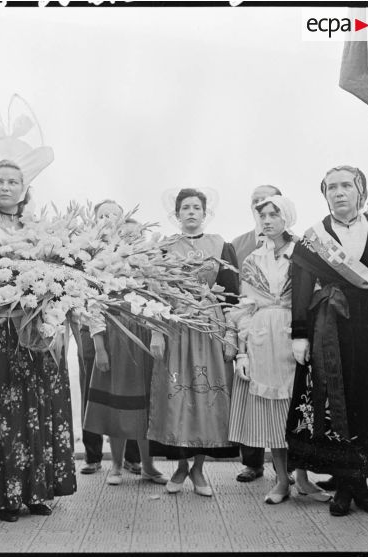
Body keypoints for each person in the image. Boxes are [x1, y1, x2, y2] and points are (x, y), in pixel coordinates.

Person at [0, 158, 77, 521]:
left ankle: (39, 493)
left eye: (13, 181)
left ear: (24, 188)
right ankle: (6, 497)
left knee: (41, 405)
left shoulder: (41, 227)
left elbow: (62, 274)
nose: (6, 187)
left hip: (37, 327)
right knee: (4, 409)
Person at [286, 165, 368, 517]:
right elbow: (300, 288)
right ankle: (346, 488)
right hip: (329, 329)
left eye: (347, 185)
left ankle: (361, 485)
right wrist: (299, 335)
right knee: (335, 403)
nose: (339, 192)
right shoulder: (314, 237)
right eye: (331, 187)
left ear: (361, 191)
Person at [228, 195, 331, 504]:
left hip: (295, 333)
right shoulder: (252, 259)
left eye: (275, 213)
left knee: (298, 406)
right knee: (273, 413)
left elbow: (314, 296)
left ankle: (302, 478)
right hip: (261, 338)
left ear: (288, 216)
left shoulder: (304, 254)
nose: (268, 219)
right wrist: (242, 352)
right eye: (263, 215)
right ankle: (282, 479)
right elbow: (244, 306)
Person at [148, 188, 240, 497]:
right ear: (176, 214)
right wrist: (157, 332)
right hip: (176, 327)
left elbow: (232, 295)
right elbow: (155, 295)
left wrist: (230, 335)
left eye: (195, 207)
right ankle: (181, 466)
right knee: (177, 396)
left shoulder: (221, 246)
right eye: (184, 207)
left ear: (204, 212)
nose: (190, 212)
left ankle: (199, 468)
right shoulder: (164, 248)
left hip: (210, 328)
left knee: (206, 396)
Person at [83, 214, 168, 487]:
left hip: (143, 341)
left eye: (135, 234)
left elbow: (161, 303)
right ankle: (116, 466)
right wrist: (99, 346)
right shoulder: (104, 265)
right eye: (125, 234)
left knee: (145, 406)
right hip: (115, 339)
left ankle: (148, 466)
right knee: (114, 405)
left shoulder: (151, 267)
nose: (130, 239)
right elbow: (93, 306)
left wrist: (157, 333)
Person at [78, 199, 141, 475]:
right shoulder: (83, 250)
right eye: (102, 215)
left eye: (113, 215)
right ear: (94, 219)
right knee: (90, 387)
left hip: (126, 328)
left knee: (130, 386)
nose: (107, 219)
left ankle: (132, 456)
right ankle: (93, 455)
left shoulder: (132, 249)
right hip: (89, 328)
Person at [230, 184, 282, 483]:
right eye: (256, 201)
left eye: (269, 202)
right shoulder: (238, 244)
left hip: (282, 330)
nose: (261, 206)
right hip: (248, 326)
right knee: (249, 393)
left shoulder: (295, 245)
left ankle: (284, 467)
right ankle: (252, 462)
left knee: (281, 398)